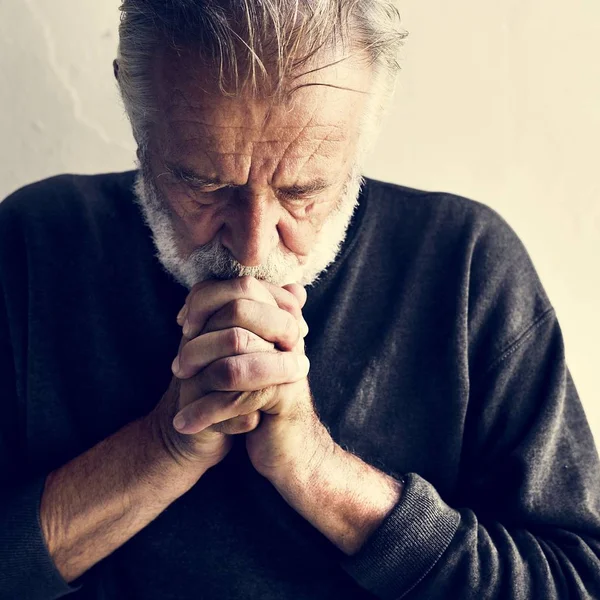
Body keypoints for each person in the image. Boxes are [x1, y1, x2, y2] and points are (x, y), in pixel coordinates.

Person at [1, 1, 599, 598]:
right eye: (206, 185)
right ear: (137, 120)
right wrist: (163, 446)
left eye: (304, 191)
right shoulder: (36, 243)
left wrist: (315, 468)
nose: (253, 248)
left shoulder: (467, 266)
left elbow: (575, 581)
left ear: (366, 130)